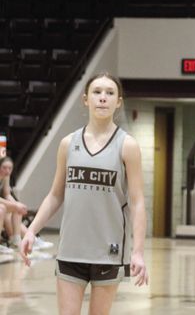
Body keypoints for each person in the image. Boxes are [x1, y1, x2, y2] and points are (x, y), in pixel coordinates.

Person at [19, 72, 149, 315]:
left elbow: (138, 202)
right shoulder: (68, 143)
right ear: (86, 99)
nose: (103, 98)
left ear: (118, 102)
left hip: (108, 252)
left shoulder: (127, 145)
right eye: (97, 92)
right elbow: (55, 195)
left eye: (110, 93)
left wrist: (138, 252)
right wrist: (31, 231)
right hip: (71, 250)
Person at [0, 157, 54, 253]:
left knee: (17, 208)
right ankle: (31, 239)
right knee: (3, 209)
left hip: (2, 203)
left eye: (10, 168)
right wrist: (14, 206)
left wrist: (16, 204)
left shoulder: (5, 177)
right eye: (4, 167)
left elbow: (7, 194)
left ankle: (17, 240)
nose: (7, 170)